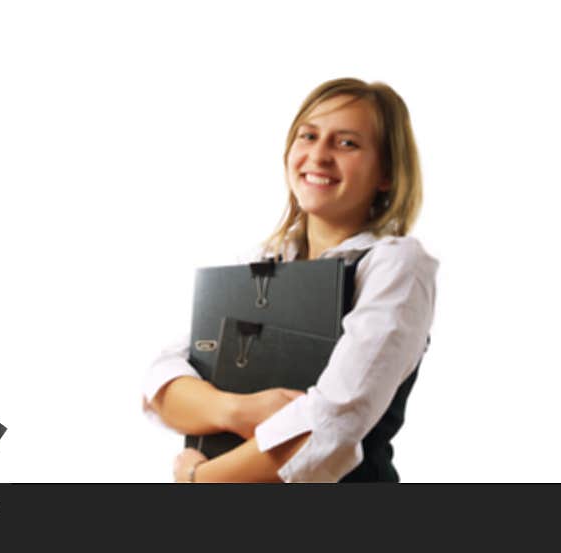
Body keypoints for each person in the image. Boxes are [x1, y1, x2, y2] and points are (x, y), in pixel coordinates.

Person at [142, 78, 438, 483]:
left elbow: (334, 421)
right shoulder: (262, 261)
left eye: (346, 143)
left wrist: (201, 479)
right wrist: (237, 410)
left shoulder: (396, 265)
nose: (319, 155)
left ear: (386, 171)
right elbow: (164, 383)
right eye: (309, 136)